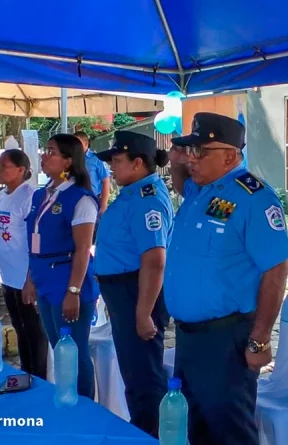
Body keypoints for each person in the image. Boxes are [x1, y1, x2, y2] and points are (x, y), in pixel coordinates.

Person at [165, 112, 288, 445]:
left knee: (231, 431)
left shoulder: (253, 197)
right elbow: (181, 176)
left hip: (226, 339)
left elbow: (277, 268)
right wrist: (180, 154)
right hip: (189, 337)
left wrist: (260, 338)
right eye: (191, 150)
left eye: (201, 152)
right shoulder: (197, 192)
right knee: (196, 428)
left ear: (230, 156)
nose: (192, 159)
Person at [93, 131, 173, 436]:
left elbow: (155, 260)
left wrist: (143, 313)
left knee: (144, 376)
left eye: (116, 160)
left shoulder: (146, 200)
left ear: (138, 163)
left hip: (137, 293)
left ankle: (151, 434)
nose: (111, 167)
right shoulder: (132, 192)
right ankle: (141, 428)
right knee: (133, 370)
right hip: (125, 293)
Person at [22, 133, 100, 400]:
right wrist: (30, 278)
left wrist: (74, 291)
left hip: (67, 278)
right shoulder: (42, 194)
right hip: (43, 277)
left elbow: (82, 249)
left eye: (52, 152)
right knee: (58, 347)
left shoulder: (80, 199)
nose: (44, 155)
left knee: (74, 352)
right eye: (46, 150)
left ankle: (85, 407)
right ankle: (67, 398)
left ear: (68, 161)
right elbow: (34, 241)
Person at [0, 149, 48, 379]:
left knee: (34, 331)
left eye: (4, 166)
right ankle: (26, 373)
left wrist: (31, 279)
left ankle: (39, 378)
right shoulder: (1, 196)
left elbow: (37, 242)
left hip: (27, 278)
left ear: (21, 170)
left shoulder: (31, 196)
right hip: (8, 276)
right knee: (20, 328)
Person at [74, 131, 111, 215]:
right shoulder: (71, 159)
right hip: (74, 198)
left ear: (85, 143)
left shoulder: (97, 159)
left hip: (93, 199)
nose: (74, 146)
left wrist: (103, 205)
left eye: (77, 143)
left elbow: (105, 181)